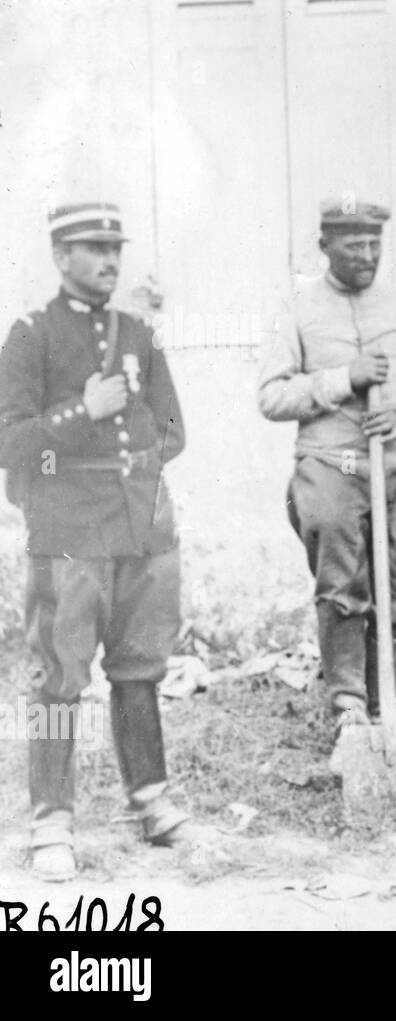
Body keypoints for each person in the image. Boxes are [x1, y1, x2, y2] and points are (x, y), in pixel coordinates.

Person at [0, 201, 192, 881]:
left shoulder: (139, 332)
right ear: (60, 256)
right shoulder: (31, 335)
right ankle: (51, 817)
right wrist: (85, 412)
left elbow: (173, 429)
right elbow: (12, 442)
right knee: (57, 679)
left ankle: (150, 798)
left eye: (115, 246)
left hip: (141, 527)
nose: (110, 259)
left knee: (139, 668)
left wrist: (139, 466)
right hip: (69, 533)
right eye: (93, 247)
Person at [258, 198, 396, 750]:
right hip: (330, 466)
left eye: (373, 245)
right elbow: (270, 397)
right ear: (325, 247)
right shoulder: (298, 309)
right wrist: (342, 379)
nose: (366, 256)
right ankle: (348, 705)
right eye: (352, 246)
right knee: (342, 586)